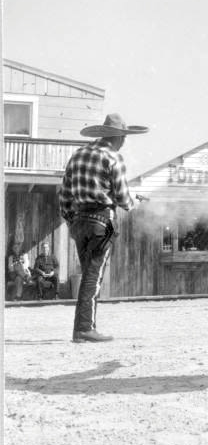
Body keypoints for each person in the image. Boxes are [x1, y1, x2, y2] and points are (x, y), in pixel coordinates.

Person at [59, 113, 148, 342]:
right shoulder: (113, 157)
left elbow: (65, 194)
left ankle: (82, 329)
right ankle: (84, 329)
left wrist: (71, 221)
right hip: (102, 221)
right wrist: (134, 202)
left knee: (89, 273)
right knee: (93, 276)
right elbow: (123, 199)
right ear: (118, 138)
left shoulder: (77, 155)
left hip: (79, 221)